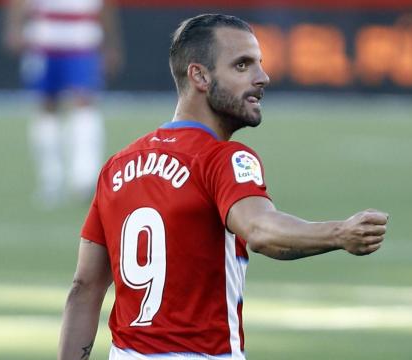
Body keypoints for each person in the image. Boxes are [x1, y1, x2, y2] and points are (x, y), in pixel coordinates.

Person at [58, 14, 389, 360]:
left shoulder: (118, 166)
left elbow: (84, 289)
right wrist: (340, 233)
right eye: (243, 65)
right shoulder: (222, 159)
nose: (262, 78)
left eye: (259, 64)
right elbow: (260, 230)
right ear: (199, 76)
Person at [2, 0, 123, 207]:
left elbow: (106, 6)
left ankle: (84, 176)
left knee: (84, 103)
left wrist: (111, 45)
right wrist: (14, 27)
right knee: (47, 107)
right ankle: (51, 180)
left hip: (82, 41)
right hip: (44, 41)